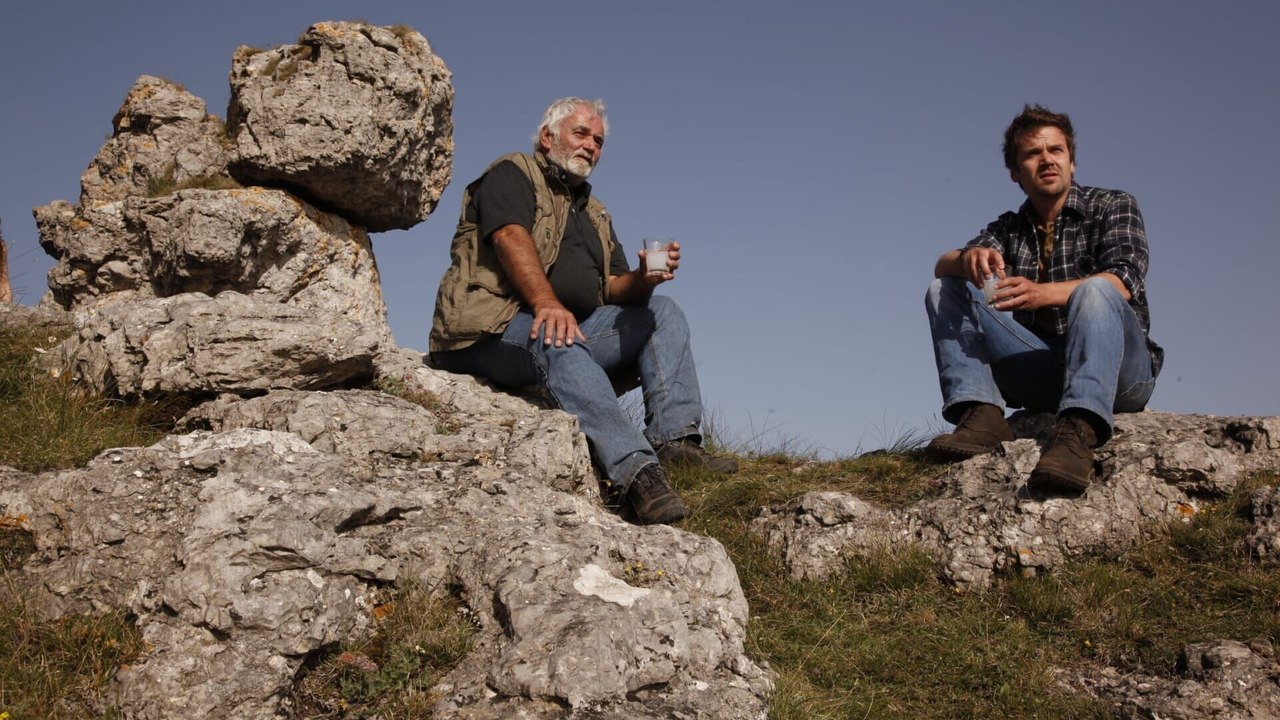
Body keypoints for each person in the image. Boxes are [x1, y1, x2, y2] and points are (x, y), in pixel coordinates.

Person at [429, 97, 736, 525]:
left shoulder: (594, 211)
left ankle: (676, 442)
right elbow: (510, 237)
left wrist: (646, 278)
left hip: (565, 330)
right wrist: (547, 303)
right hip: (486, 329)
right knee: (559, 336)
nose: (591, 145)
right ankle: (638, 475)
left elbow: (614, 287)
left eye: (599, 140)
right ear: (547, 136)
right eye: (581, 133)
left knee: (662, 312)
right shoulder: (512, 172)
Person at [924, 104, 1163, 495]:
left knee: (1097, 289)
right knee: (945, 288)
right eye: (1033, 154)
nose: (1047, 160)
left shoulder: (1114, 205)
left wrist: (1042, 295)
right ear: (1016, 173)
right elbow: (940, 266)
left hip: (1120, 374)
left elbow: (1124, 278)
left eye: (1056, 150)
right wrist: (967, 259)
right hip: (1044, 373)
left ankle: (1078, 432)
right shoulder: (1009, 227)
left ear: (1072, 162)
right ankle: (981, 414)